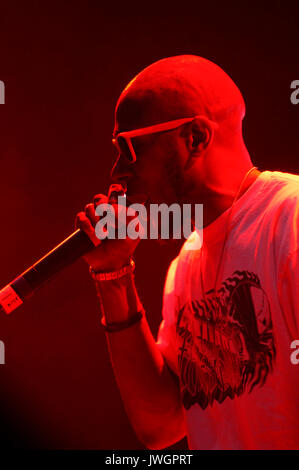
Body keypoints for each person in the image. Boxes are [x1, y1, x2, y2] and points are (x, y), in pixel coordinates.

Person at [76, 55, 299, 450]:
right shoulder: (186, 264)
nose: (116, 173)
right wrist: (114, 274)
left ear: (195, 137)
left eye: (128, 149)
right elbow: (160, 426)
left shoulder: (289, 219)